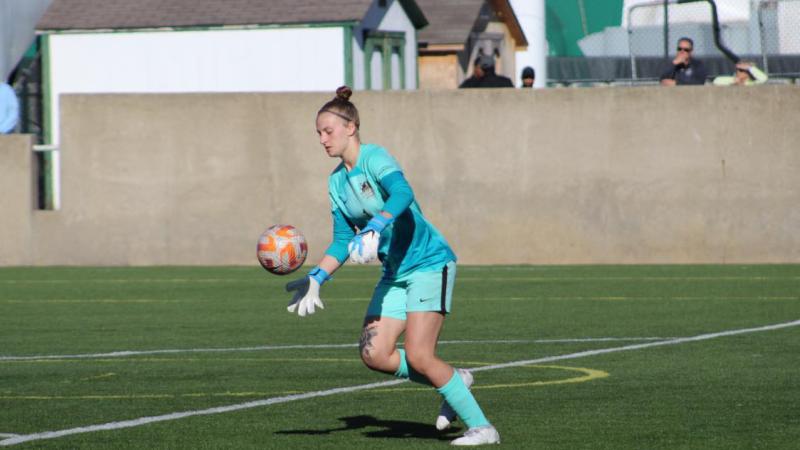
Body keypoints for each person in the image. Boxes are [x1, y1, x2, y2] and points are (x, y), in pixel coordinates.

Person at [285, 86, 500, 446]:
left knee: (419, 354)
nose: (322, 140)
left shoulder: (374, 158)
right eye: (318, 134)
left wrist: (375, 225)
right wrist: (316, 278)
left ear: (351, 126)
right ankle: (451, 379)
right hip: (395, 272)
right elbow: (341, 239)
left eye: (328, 131)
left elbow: (403, 193)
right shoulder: (336, 181)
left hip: (429, 262)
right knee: (374, 353)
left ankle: (483, 428)